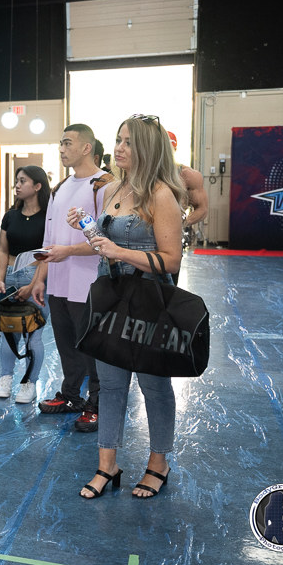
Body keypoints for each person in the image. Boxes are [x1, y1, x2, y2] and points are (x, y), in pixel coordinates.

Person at [69, 114, 185, 499]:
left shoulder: (161, 195)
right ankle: (107, 465)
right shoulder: (112, 189)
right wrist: (83, 231)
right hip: (111, 298)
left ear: (148, 149)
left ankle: (158, 463)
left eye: (129, 142)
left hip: (149, 302)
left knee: (154, 386)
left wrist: (120, 252)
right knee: (111, 384)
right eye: (118, 139)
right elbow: (104, 243)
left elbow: (171, 260)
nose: (119, 148)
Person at [35, 124, 112, 433]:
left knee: (93, 348)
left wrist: (68, 251)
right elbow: (49, 238)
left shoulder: (105, 185)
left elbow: (106, 240)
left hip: (89, 282)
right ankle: (70, 396)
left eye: (67, 143)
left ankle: (97, 403)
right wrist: (40, 279)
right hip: (58, 283)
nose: (62, 149)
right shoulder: (59, 187)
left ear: (86, 148)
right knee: (66, 345)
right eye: (61, 143)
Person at [0, 165, 50, 403]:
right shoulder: (10, 216)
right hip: (11, 278)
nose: (17, 185)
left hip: (35, 278)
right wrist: (0, 279)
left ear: (37, 186)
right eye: (17, 180)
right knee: (9, 331)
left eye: (22, 181)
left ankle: (29, 383)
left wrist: (35, 283)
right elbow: (3, 250)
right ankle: (5, 378)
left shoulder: (48, 218)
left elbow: (47, 254)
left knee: (33, 335)